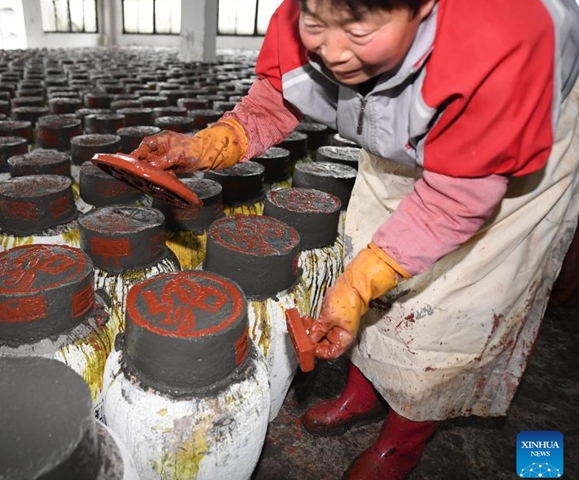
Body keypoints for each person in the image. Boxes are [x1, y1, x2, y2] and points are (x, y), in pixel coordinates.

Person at [131, 0, 579, 478]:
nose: (333, 51)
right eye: (316, 24)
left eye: (359, 31)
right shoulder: (309, 14)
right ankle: (362, 392)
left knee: (449, 307)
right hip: (397, 129)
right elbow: (278, 97)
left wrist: (366, 280)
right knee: (362, 249)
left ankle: (404, 438)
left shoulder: (503, 44)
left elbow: (456, 199)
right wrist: (204, 145)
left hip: (505, 154)